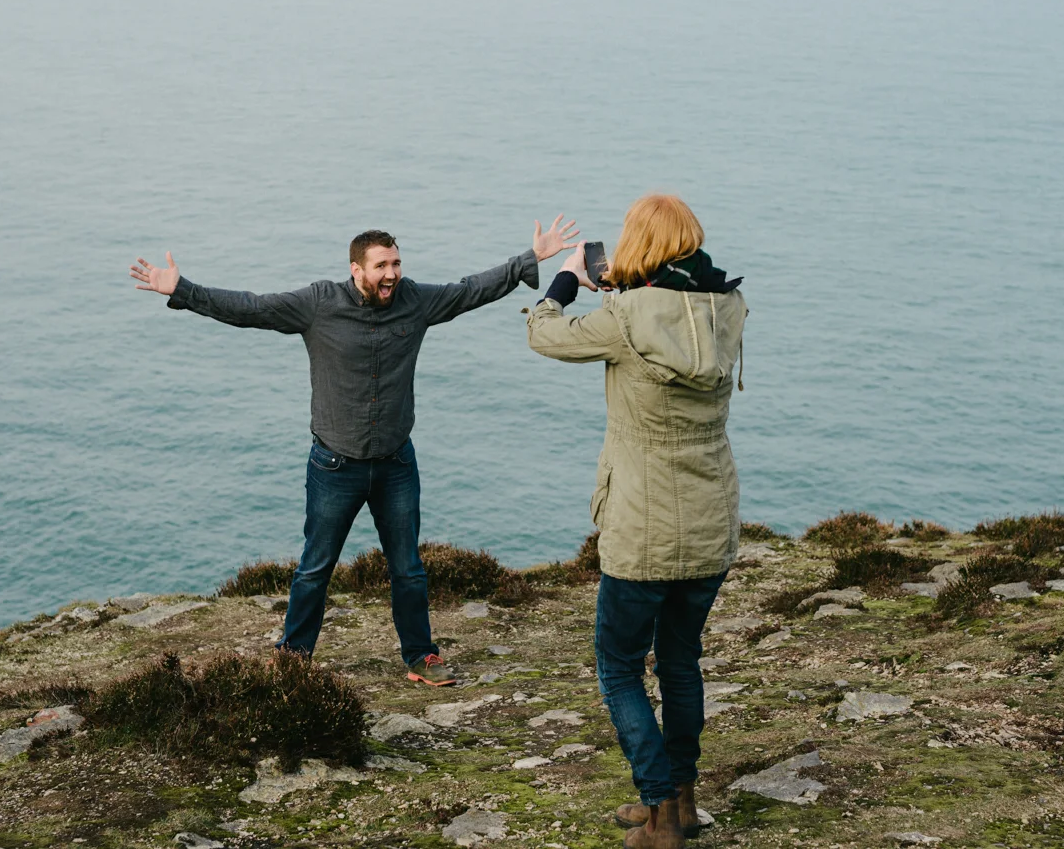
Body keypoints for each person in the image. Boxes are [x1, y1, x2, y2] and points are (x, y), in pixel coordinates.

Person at [128, 216, 579, 686]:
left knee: (408, 570)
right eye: (381, 266)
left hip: (396, 464)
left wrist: (530, 259)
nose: (392, 273)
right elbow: (251, 308)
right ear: (356, 269)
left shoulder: (415, 301)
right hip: (334, 466)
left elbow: (470, 290)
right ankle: (293, 657)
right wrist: (182, 289)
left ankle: (420, 657)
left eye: (396, 263)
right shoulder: (318, 304)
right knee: (314, 570)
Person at [525, 194, 745, 849]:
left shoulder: (621, 318)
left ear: (639, 245)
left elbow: (545, 334)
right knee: (680, 662)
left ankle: (659, 815)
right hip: (709, 523)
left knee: (619, 666)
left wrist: (567, 280)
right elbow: (674, 318)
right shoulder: (727, 306)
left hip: (643, 529)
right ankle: (684, 800)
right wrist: (628, 284)